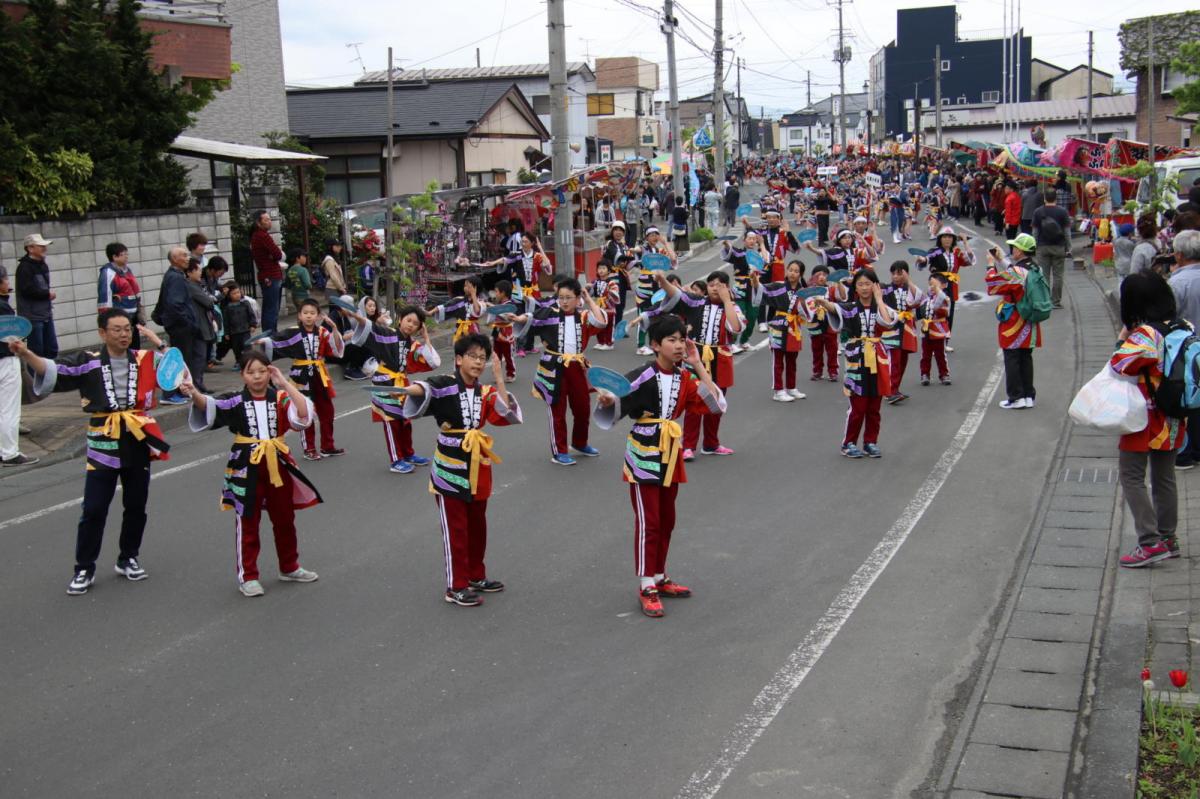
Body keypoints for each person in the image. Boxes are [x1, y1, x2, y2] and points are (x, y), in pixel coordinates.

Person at [13, 310, 171, 594]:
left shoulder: (145, 359)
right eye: (117, 330)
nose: (124, 335)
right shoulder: (89, 362)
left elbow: (174, 369)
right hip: (103, 441)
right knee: (95, 508)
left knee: (136, 505)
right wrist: (26, 354)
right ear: (102, 333)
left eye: (127, 329)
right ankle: (84, 567)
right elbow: (53, 370)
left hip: (138, 437)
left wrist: (158, 345)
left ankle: (128, 557)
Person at [595, 315, 727, 618]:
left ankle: (659, 575)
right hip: (643, 451)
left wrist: (698, 365)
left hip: (670, 452)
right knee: (649, 521)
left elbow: (715, 404)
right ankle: (646, 585)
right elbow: (615, 406)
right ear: (655, 345)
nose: (679, 345)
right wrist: (606, 402)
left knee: (667, 519)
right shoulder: (642, 375)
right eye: (672, 340)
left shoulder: (685, 377)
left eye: (682, 340)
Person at [390, 334, 522, 606]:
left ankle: (476, 575)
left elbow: (505, 413)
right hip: (450, 464)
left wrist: (498, 377)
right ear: (459, 359)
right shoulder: (447, 385)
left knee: (478, 525)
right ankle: (456, 585)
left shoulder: (485, 392)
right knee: (456, 528)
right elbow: (425, 389)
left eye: (483, 358)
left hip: (478, 464)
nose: (478, 362)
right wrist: (405, 390)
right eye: (473, 356)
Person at [183, 351, 321, 597]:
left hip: (277, 462)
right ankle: (248, 576)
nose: (257, 377)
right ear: (242, 376)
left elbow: (302, 415)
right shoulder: (236, 400)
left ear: (270, 372)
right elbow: (210, 406)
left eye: (262, 371)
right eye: (251, 372)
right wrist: (193, 392)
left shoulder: (279, 397)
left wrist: (284, 383)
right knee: (247, 519)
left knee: (284, 518)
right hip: (245, 465)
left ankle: (289, 566)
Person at [1110, 272, 1186, 566]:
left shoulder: (1145, 336)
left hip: (1143, 416)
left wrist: (1121, 340)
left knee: (1131, 475)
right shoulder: (1183, 327)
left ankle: (1149, 542)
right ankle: (1168, 538)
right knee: (1165, 477)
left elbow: (1120, 365)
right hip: (1174, 414)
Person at [507, 278, 607, 465]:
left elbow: (601, 322)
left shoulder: (584, 316)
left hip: (577, 366)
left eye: (569, 297)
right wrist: (519, 318)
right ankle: (559, 451)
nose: (564, 302)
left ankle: (580, 442)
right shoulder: (549, 314)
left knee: (582, 407)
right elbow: (530, 318)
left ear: (578, 299)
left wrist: (589, 298)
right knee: (557, 410)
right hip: (554, 366)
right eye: (561, 297)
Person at [658, 271, 743, 459]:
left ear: (727, 288)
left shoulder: (733, 307)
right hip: (696, 356)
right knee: (694, 402)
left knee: (716, 402)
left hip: (720, 358)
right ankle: (688, 445)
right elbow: (677, 293)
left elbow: (736, 328)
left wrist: (727, 300)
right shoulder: (697, 302)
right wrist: (663, 281)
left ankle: (711, 443)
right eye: (712, 284)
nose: (715, 288)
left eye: (720, 285)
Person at [348, 301, 441, 473]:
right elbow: (370, 328)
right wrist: (357, 317)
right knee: (391, 421)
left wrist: (426, 338)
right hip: (383, 382)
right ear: (400, 320)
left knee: (405, 420)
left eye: (416, 324)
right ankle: (396, 460)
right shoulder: (388, 334)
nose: (411, 325)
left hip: (401, 383)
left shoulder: (413, 344)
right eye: (408, 320)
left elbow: (433, 362)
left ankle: (408, 453)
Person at [260, 299, 346, 461]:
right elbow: (276, 341)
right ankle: (309, 448)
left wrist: (334, 329)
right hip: (301, 375)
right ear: (299, 315)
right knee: (305, 411)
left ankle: (328, 445)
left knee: (327, 410)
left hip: (320, 374)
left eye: (312, 313)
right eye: (305, 313)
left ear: (318, 316)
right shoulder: (293, 332)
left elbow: (335, 349)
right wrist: (264, 342)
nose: (308, 316)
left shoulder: (322, 332)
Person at [823, 268, 896, 459]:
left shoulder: (882, 307)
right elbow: (834, 308)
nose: (864, 288)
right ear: (855, 286)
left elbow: (888, 323)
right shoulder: (850, 308)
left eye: (868, 284)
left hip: (878, 359)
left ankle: (870, 442)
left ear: (875, 286)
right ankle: (848, 443)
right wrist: (821, 301)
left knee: (874, 406)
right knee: (858, 406)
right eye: (861, 284)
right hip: (857, 359)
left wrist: (879, 300)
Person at [986, 234, 1042, 410]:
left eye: (1015, 247)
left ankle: (1015, 397)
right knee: (1025, 356)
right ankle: (1027, 395)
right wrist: (1001, 260)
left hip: (1015, 319)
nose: (1013, 250)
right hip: (1030, 317)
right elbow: (1014, 272)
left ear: (1020, 250)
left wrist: (990, 265)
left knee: (1011, 356)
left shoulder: (1018, 272)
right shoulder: (1035, 268)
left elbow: (993, 284)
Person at [1166, 229, 1200, 470]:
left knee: (1189, 400)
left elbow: (1168, 318)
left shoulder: (1177, 283)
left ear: (1179, 255)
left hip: (1187, 352)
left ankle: (1187, 452)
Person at [755, 262, 810, 402]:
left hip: (794, 327)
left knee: (792, 360)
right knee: (778, 360)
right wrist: (754, 279)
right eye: (790, 270)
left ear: (800, 274)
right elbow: (761, 289)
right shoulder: (778, 286)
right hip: (779, 326)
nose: (792, 273)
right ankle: (778, 390)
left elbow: (808, 311)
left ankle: (791, 387)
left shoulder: (803, 291)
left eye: (796, 271)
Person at [0, 265, 37, 466]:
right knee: (9, 408)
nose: (8, 282)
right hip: (5, 360)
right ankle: (10, 453)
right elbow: (13, 336)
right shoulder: (3, 307)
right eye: (5, 279)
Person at [157, 247, 198, 405]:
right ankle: (169, 393)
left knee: (179, 359)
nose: (188, 258)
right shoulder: (176, 278)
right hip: (180, 326)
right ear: (174, 259)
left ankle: (177, 391)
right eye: (184, 255)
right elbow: (175, 304)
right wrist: (188, 321)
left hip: (177, 324)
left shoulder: (173, 275)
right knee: (178, 360)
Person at [881, 261, 922, 404]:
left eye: (899, 273)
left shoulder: (909, 289)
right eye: (893, 273)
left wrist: (908, 280)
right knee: (894, 360)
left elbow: (918, 300)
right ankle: (889, 391)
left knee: (903, 359)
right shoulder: (885, 288)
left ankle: (895, 388)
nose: (895, 276)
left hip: (907, 329)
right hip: (892, 327)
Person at [15, 233, 58, 359]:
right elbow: (27, 290)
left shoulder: (42, 264)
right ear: (30, 248)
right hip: (32, 317)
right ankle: (36, 378)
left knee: (52, 349)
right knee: (36, 352)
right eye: (41, 246)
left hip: (45, 313)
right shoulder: (24, 267)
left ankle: (50, 377)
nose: (44, 248)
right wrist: (47, 294)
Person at [97, 242, 142, 351]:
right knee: (123, 346)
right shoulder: (108, 272)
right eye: (123, 254)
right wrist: (106, 318)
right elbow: (105, 297)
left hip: (133, 315)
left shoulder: (127, 270)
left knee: (135, 346)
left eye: (127, 254)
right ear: (114, 257)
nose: (126, 257)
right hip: (120, 315)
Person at [1031, 190, 1072, 309]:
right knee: (1058, 275)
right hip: (1059, 246)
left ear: (1045, 198)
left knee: (1044, 275)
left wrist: (1034, 245)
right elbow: (1067, 232)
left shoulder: (1038, 212)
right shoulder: (1062, 212)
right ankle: (1056, 301)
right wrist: (1069, 247)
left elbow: (1035, 231)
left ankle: (1045, 300)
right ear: (1056, 198)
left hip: (1042, 247)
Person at [805, 265, 845, 382]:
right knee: (816, 348)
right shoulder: (809, 291)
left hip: (829, 324)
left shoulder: (831, 289)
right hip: (815, 324)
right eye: (818, 275)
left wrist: (839, 282)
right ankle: (817, 371)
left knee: (832, 349)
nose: (821, 277)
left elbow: (842, 297)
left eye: (824, 274)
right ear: (813, 277)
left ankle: (833, 371)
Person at [184, 258, 216, 393]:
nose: (200, 273)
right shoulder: (191, 286)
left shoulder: (196, 285)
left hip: (201, 324)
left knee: (201, 356)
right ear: (190, 272)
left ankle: (199, 383)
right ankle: (197, 384)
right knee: (199, 357)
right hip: (198, 326)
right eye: (198, 270)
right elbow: (208, 302)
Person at [249, 210, 284, 332]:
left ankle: (270, 334)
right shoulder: (262, 236)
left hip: (270, 275)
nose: (270, 222)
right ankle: (270, 335)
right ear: (259, 223)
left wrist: (272, 256)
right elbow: (278, 254)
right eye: (266, 220)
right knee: (272, 309)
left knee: (271, 308)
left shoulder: (258, 236)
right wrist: (273, 256)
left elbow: (274, 254)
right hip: (270, 276)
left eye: (270, 219)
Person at [918, 272, 953, 386]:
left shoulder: (945, 298)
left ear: (943, 285)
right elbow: (919, 312)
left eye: (934, 284)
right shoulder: (925, 299)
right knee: (925, 355)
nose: (931, 287)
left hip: (938, 330)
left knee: (940, 354)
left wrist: (938, 291)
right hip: (926, 329)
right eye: (930, 284)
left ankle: (944, 374)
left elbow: (938, 306)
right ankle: (925, 374)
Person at [431, 275, 485, 342]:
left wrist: (473, 294)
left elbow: (477, 310)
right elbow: (445, 307)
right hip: (460, 328)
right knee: (459, 348)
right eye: (465, 286)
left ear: (475, 288)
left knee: (472, 348)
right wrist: (431, 312)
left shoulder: (480, 302)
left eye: (468, 286)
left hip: (473, 330)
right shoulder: (460, 300)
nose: (465, 288)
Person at [217, 281, 258, 367]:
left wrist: (253, 325)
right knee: (236, 349)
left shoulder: (245, 303)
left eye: (238, 292)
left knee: (247, 346)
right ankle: (239, 361)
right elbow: (226, 321)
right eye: (234, 293)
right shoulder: (227, 307)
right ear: (229, 295)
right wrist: (226, 333)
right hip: (234, 332)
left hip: (245, 330)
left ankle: (248, 361)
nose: (237, 295)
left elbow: (251, 315)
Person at [489, 280, 518, 382]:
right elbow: (492, 318)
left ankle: (511, 374)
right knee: (496, 356)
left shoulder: (510, 305)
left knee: (508, 356)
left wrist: (492, 307)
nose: (495, 294)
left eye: (496, 292)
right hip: (497, 333)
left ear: (503, 293)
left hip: (507, 335)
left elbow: (505, 316)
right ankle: (497, 374)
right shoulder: (499, 305)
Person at [589, 260, 621, 350]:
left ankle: (609, 343)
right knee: (599, 324)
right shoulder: (595, 282)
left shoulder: (611, 282)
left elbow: (616, 293)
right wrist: (589, 288)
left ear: (609, 271)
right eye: (599, 268)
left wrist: (609, 291)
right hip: (598, 307)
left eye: (603, 268)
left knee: (609, 326)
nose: (601, 270)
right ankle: (601, 342)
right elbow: (591, 293)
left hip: (609, 307)